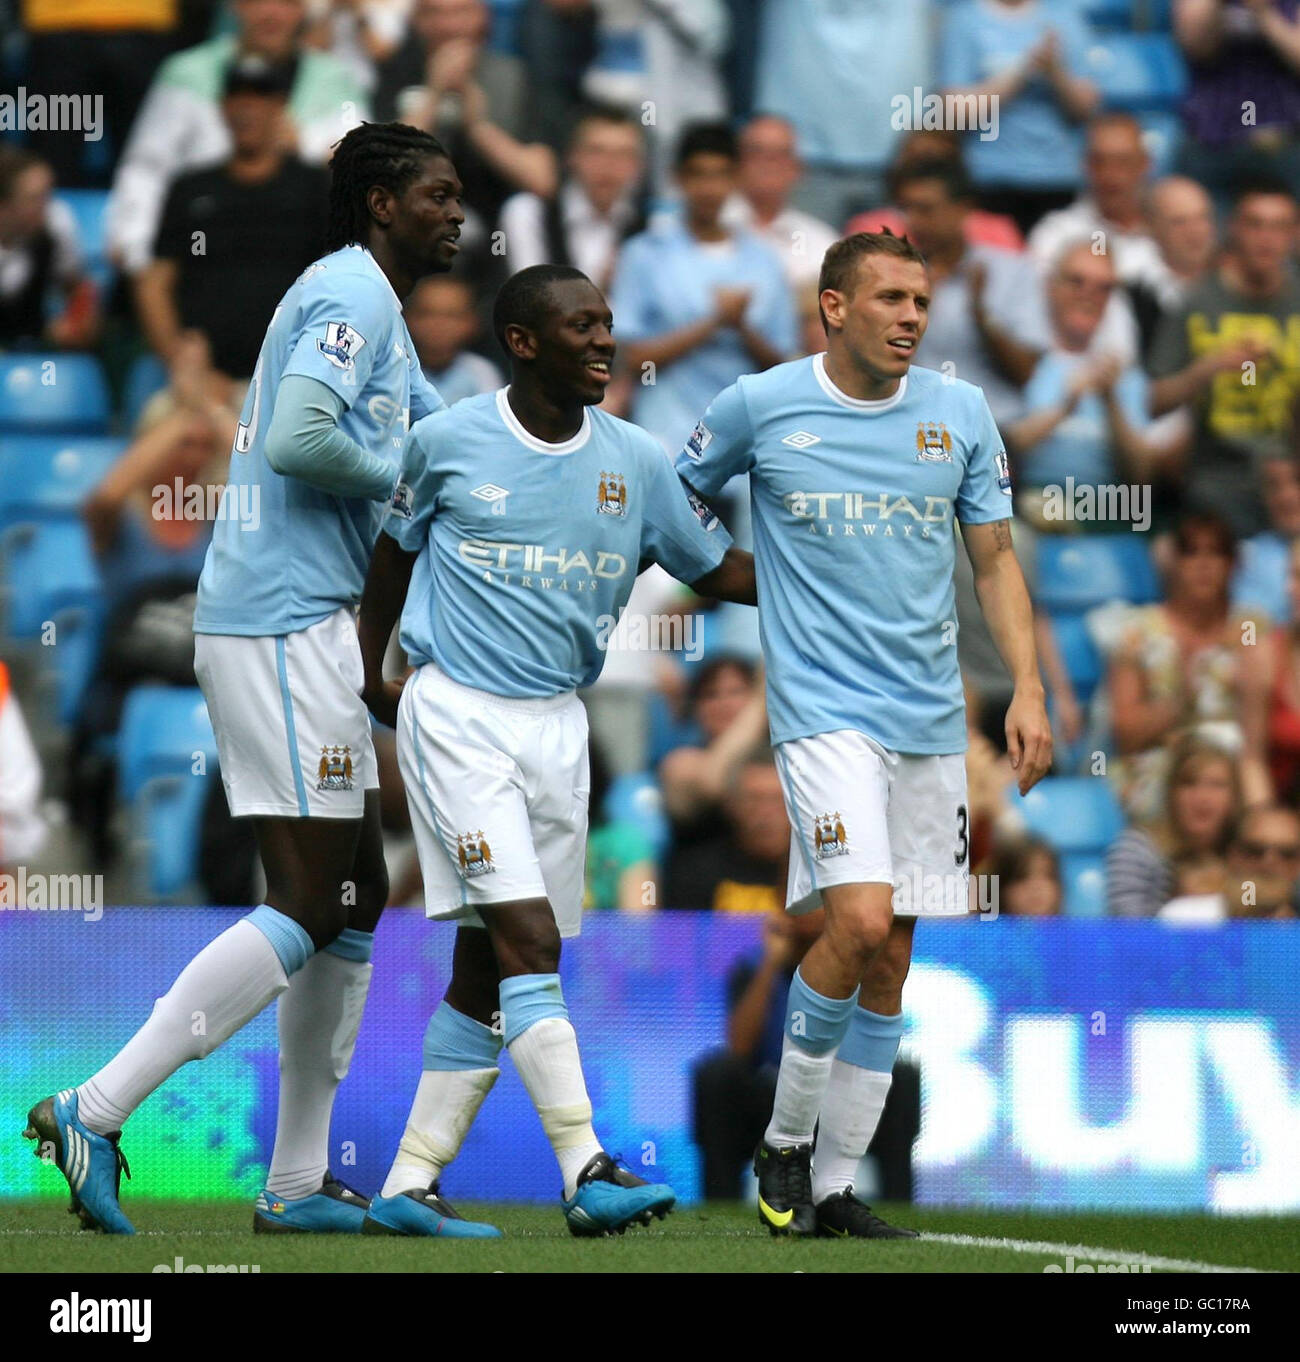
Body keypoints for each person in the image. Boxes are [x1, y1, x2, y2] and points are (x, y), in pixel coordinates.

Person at [24, 123, 464, 1238]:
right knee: (311, 901)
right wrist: (407, 485)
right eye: (438, 196)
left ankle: (299, 1183)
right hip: (276, 627)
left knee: (354, 903)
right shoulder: (354, 296)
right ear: (379, 204)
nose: (457, 214)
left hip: (303, 623)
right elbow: (304, 440)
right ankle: (95, 1107)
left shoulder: (366, 300)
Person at [353, 262, 758, 1236]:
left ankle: (407, 1185)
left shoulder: (637, 461)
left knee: (488, 969)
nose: (605, 341)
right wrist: (374, 674)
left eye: (609, 324)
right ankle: (587, 1169)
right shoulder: (446, 441)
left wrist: (832, 563)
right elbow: (390, 555)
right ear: (524, 342)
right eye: (581, 326)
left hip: (557, 727)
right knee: (530, 941)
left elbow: (720, 567)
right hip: (455, 715)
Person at [676, 230, 1053, 1238]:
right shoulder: (758, 403)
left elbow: (995, 564)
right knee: (856, 922)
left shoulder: (959, 413)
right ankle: (782, 1139)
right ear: (833, 307)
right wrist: (735, 577)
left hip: (930, 722)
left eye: (921, 302)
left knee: (892, 960)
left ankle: (836, 1190)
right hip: (822, 719)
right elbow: (677, 504)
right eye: (889, 298)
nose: (911, 318)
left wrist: (1026, 690)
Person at [106, 0, 367, 276]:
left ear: (304, 10)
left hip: (295, 253)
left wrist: (304, 146)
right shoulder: (186, 73)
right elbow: (147, 165)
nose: (271, 13)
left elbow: (362, 165)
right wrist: (134, 245)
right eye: (257, 2)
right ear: (235, 6)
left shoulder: (336, 79)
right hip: (205, 245)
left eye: (287, 3)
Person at [134, 56, 331, 384]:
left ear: (279, 106)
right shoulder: (191, 190)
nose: (246, 109)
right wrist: (180, 361)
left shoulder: (315, 188)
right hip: (201, 383)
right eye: (237, 98)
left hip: (295, 380)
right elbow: (155, 283)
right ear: (222, 108)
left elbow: (343, 281)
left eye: (259, 98)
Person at [611, 121, 797, 455]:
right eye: (698, 174)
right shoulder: (644, 252)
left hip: (740, 445)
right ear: (678, 177)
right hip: (664, 437)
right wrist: (714, 322)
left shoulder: (765, 260)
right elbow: (634, 358)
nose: (709, 188)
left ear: (736, 179)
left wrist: (741, 327)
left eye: (721, 175)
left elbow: (781, 366)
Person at [1147, 178, 1300, 536]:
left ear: (1294, 234)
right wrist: (1207, 369)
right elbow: (1154, 403)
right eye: (1255, 224)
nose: (1267, 239)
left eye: (1279, 227)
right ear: (1233, 228)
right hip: (1215, 485)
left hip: (1290, 483)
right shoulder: (1196, 302)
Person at [1107, 513, 1268, 822]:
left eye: (1216, 552)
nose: (1204, 564)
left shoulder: (1250, 629)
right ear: (1174, 562)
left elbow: (1257, 737)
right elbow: (1125, 735)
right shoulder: (1138, 631)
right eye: (1191, 551)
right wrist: (1182, 700)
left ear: (1233, 563)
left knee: (1228, 783)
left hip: (1232, 771)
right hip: (1155, 773)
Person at [1008, 239, 1185, 517]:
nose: (1089, 295)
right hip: (1030, 506)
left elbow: (1140, 478)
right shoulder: (1022, 360)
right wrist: (1065, 408)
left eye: (1104, 288)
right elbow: (1002, 450)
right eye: (1077, 282)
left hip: (1107, 512)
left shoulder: (1124, 375)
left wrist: (1111, 400)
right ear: (1050, 286)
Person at [894, 158, 1050, 428]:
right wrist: (920, 304)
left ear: (962, 210)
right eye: (907, 209)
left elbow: (1026, 373)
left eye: (926, 210)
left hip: (997, 425)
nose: (914, 221)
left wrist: (981, 315)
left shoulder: (1011, 272)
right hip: (917, 425)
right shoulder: (893, 276)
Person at [939, 0, 1100, 235]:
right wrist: (1023, 70)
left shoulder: (1065, 18)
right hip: (988, 177)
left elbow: (1086, 108)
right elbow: (955, 113)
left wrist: (1055, 71)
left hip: (1057, 176)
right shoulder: (965, 20)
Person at [498, 105, 647, 289]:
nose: (609, 165)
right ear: (572, 156)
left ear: (639, 166)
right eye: (597, 151)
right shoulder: (531, 212)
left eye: (623, 154)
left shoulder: (650, 225)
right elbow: (531, 299)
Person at [1106, 734, 1242, 917]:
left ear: (1235, 797)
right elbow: (1129, 933)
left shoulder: (1247, 854)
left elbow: (1258, 919)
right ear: (1170, 794)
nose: (1203, 797)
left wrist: (1234, 896)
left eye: (1217, 785)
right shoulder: (1138, 849)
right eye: (1189, 783)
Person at [721, 114, 839, 291]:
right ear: (736, 163)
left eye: (781, 154)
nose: (769, 163)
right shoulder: (705, 226)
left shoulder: (821, 241)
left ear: (798, 168)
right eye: (757, 152)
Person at [663, 749, 789, 913]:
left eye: (777, 800)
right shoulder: (696, 874)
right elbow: (680, 935)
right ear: (731, 804)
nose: (766, 813)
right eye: (754, 799)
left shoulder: (821, 875)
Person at [0, 147, 99, 351]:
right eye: (34, 199)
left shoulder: (57, 223)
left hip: (32, 344)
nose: (47, 206)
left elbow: (76, 287)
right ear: (4, 206)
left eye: (49, 194)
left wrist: (76, 325)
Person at [1129, 176, 1218, 363]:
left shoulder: (1235, 284)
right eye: (1179, 222)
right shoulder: (1130, 293)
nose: (1195, 232)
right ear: (1151, 227)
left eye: (1202, 218)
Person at [1159, 804, 1300, 922]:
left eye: (1287, 853)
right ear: (1233, 855)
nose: (1269, 862)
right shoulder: (1186, 919)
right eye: (1255, 850)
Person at [1241, 537, 1300, 804]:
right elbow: (1251, 760)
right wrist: (1266, 821)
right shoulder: (1263, 654)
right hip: (1279, 817)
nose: (1290, 589)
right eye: (1292, 576)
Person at [403, 273, 502, 405]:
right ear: (407, 318)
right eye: (427, 313)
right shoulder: (394, 369)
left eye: (451, 315)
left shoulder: (482, 373)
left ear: (472, 321)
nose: (438, 324)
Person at [1232, 449, 1300, 622]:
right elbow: (1247, 630)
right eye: (1273, 485)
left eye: (1297, 480)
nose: (1286, 496)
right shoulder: (1248, 557)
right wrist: (1252, 645)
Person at [983, 836, 1063, 916]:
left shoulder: (1069, 926)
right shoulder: (983, 927)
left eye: (1047, 874)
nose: (1036, 886)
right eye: (1022, 876)